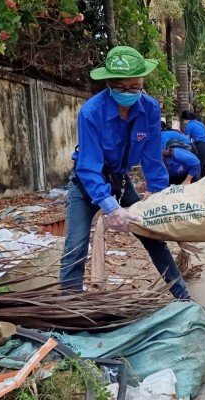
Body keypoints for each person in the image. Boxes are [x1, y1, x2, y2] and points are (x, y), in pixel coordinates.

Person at [60, 45, 190, 300]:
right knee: (75, 247)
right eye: (121, 87)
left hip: (120, 179)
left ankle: (182, 296)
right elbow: (88, 166)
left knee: (153, 237)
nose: (129, 93)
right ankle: (67, 309)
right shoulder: (91, 112)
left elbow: (152, 156)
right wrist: (110, 206)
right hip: (87, 183)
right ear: (108, 83)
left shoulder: (150, 109)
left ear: (142, 82)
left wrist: (156, 193)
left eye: (135, 87)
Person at [181, 110, 205, 178]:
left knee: (196, 172)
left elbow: (186, 141)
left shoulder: (188, 126)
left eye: (183, 120)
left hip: (201, 148)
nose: (183, 122)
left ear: (186, 119)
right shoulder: (200, 123)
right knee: (203, 172)